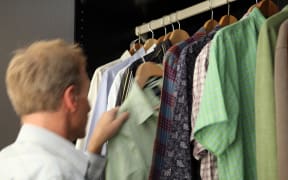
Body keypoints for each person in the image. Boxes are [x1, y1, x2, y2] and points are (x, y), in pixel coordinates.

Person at [0, 39, 129, 179]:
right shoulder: (59, 172)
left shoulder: (5, 161)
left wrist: (95, 147)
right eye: (86, 95)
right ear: (71, 98)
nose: (89, 106)